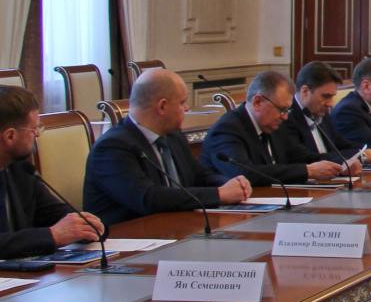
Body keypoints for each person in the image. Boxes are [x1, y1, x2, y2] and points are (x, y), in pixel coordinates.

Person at [85, 69, 253, 227]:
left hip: (176, 227)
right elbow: (148, 198)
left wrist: (229, 183)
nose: (187, 108)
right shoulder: (112, 148)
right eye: (182, 102)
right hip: (130, 237)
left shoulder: (173, 136)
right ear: (162, 106)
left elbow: (200, 176)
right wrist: (219, 194)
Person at [0, 86, 103, 255]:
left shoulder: (19, 169)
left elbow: (52, 213)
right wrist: (52, 235)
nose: (38, 135)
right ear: (10, 136)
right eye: (34, 129)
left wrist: (85, 226)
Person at [200, 69, 341, 186]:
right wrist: (307, 171)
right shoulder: (227, 129)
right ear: (257, 102)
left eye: (288, 110)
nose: (285, 117)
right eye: (282, 109)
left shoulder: (272, 125)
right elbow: (245, 173)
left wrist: (340, 165)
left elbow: (301, 156)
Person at [276, 62, 371, 170]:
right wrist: (361, 156)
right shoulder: (286, 117)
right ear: (305, 91)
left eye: (332, 96)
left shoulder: (322, 112)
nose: (330, 103)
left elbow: (342, 145)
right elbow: (306, 158)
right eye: (326, 96)